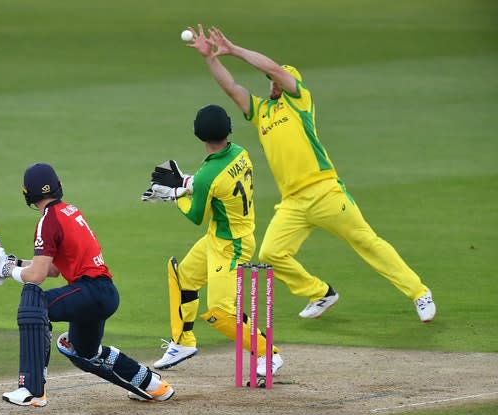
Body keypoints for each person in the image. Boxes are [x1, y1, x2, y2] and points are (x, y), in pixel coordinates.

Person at [184, 25, 436, 323]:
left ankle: (419, 293)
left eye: (276, 80)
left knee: (368, 243)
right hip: (292, 202)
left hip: (325, 191)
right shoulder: (261, 112)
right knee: (271, 253)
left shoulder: (300, 102)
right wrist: (210, 58)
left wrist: (235, 49)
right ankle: (320, 292)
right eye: (270, 81)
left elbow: (274, 69)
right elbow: (232, 88)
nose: (272, 84)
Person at [0, 162, 175, 407]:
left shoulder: (47, 221)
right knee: (82, 351)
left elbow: (37, 276)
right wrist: (13, 262)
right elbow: (52, 268)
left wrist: (6, 270)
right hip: (102, 293)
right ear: (58, 186)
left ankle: (31, 390)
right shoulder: (68, 211)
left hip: (90, 290)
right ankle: (154, 385)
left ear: (27, 193)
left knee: (34, 301)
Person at [142, 104, 284, 376]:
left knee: (220, 310)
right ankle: (183, 342)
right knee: (183, 278)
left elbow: (197, 215)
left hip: (232, 245)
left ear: (199, 134)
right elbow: (215, 185)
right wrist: (185, 182)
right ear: (228, 128)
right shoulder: (241, 153)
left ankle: (268, 354)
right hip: (221, 237)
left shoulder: (209, 175)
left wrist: (174, 196)